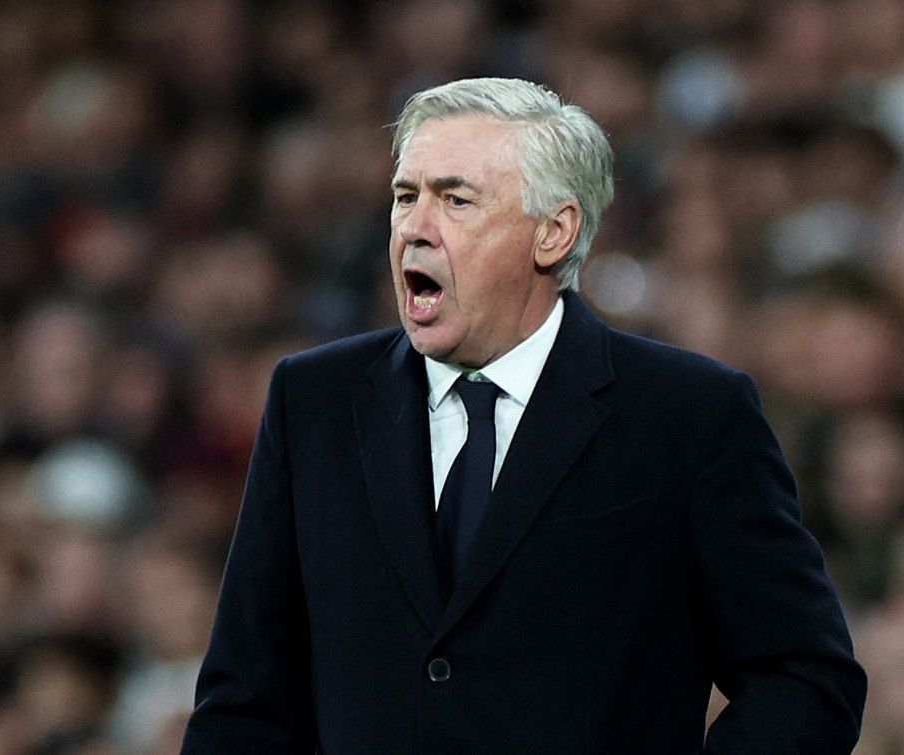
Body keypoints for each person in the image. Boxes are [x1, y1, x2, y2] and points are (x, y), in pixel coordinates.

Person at [180, 77, 866, 754]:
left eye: (455, 199)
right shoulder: (314, 401)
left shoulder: (687, 415)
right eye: (405, 196)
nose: (414, 228)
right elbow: (244, 705)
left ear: (553, 233)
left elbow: (804, 677)